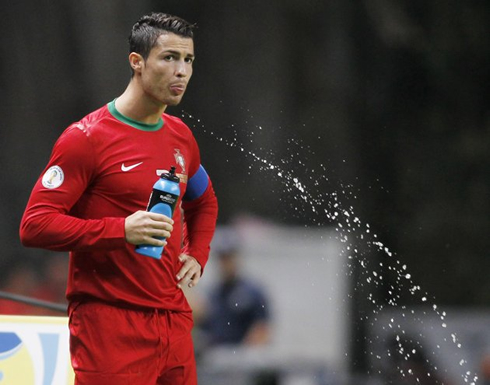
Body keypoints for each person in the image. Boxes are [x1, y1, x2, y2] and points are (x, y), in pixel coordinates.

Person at [20, 12, 218, 385]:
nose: (182, 72)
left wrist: (198, 252)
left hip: (172, 320)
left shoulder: (181, 138)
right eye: (169, 58)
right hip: (109, 322)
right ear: (137, 63)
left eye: (188, 60)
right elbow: (34, 225)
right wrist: (121, 230)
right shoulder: (86, 138)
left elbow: (204, 201)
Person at [201, 230, 270, 347]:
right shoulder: (212, 294)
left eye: (229, 257)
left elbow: (262, 330)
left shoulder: (253, 293)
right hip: (215, 354)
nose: (225, 263)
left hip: (241, 356)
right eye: (222, 258)